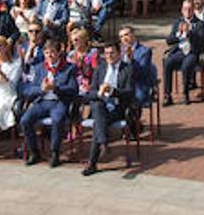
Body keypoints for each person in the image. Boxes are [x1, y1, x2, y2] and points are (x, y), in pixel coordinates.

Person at [19, 37, 79, 166]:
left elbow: (73, 89)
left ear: (58, 53)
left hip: (59, 102)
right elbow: (28, 90)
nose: (49, 55)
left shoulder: (69, 68)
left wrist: (55, 88)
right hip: (42, 101)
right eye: (47, 53)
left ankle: (54, 152)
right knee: (25, 120)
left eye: (52, 52)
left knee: (58, 119)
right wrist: (41, 89)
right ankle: (34, 152)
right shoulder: (39, 67)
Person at [83, 43, 136, 175]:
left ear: (119, 54)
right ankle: (103, 144)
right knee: (97, 106)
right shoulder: (100, 69)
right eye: (106, 53)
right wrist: (99, 93)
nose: (109, 56)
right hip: (101, 105)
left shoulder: (128, 69)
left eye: (112, 53)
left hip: (117, 107)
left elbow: (130, 92)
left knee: (98, 123)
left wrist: (112, 91)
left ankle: (94, 161)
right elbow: (90, 93)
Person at [162, 0, 204, 106]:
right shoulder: (177, 23)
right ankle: (167, 95)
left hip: (192, 52)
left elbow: (202, 43)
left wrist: (189, 33)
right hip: (179, 51)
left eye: (190, 9)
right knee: (167, 62)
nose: (187, 12)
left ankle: (185, 93)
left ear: (193, 10)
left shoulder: (200, 24)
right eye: (185, 9)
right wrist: (179, 34)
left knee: (186, 66)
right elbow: (169, 41)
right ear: (182, 10)